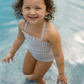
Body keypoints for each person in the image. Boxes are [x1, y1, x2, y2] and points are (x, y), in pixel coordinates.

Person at [2, 0, 67, 84]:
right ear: (21, 9)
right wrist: (11, 52)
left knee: (37, 78)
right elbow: (19, 39)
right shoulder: (23, 25)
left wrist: (61, 73)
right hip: (32, 52)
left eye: (38, 8)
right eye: (27, 8)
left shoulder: (51, 33)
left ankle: (39, 77)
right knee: (26, 72)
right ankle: (36, 72)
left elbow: (58, 54)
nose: (32, 12)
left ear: (47, 10)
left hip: (45, 58)